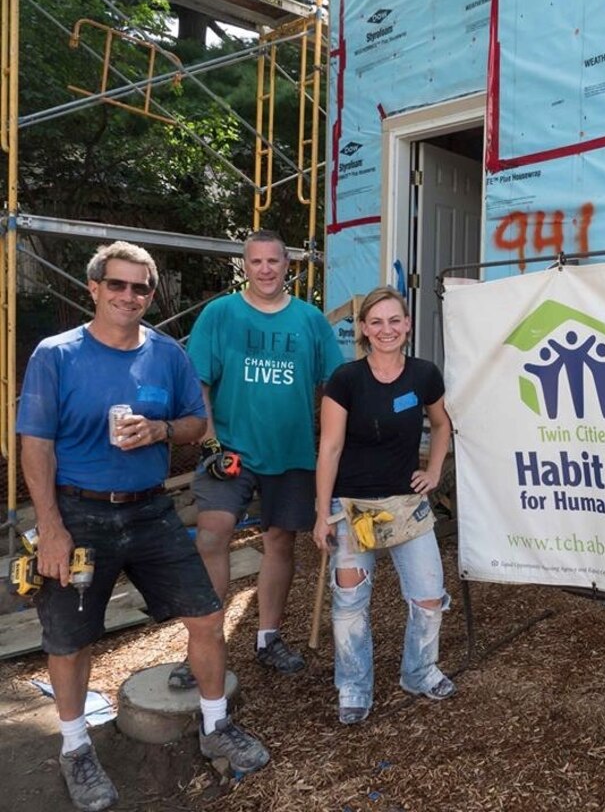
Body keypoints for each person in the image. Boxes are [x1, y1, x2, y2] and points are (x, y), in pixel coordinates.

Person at [16, 242, 269, 812]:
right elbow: (36, 444)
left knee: (206, 615)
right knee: (70, 638)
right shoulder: (56, 355)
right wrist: (50, 528)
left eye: (140, 288)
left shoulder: (166, 355)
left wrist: (160, 431)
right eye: (117, 285)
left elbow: (196, 423)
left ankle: (214, 725)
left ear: (151, 295)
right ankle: (77, 748)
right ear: (94, 288)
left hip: (150, 508)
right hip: (78, 513)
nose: (129, 296)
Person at [173, 229, 342, 686]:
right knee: (212, 534)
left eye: (274, 261)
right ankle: (203, 645)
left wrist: (334, 443)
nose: (265, 270)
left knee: (280, 542)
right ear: (244, 267)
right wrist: (210, 444)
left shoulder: (310, 321)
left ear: (288, 266)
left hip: (290, 454)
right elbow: (198, 385)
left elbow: (335, 388)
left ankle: (268, 638)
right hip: (229, 450)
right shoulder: (221, 314)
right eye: (256, 262)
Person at [312, 287, 455, 725]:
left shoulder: (424, 375)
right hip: (353, 506)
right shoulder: (346, 380)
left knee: (429, 596)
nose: (386, 329)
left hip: (406, 504)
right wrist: (323, 512)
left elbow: (442, 423)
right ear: (363, 329)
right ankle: (354, 686)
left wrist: (433, 471)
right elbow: (330, 448)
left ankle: (419, 671)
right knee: (351, 601)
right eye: (376, 322)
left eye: (395, 320)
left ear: (408, 325)